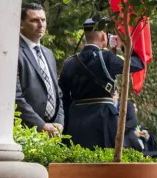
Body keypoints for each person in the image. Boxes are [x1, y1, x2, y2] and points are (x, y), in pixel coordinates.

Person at [60, 18, 144, 149]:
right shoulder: (107, 58)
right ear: (104, 36)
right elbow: (138, 63)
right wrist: (123, 44)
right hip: (103, 121)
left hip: (76, 122)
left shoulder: (69, 62)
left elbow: (65, 98)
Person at [16, 2, 64, 136]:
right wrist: (41, 125)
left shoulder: (48, 54)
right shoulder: (14, 51)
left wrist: (59, 122)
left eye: (43, 20)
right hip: (26, 131)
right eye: (34, 20)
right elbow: (16, 97)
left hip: (52, 130)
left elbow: (57, 93)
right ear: (21, 23)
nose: (41, 24)